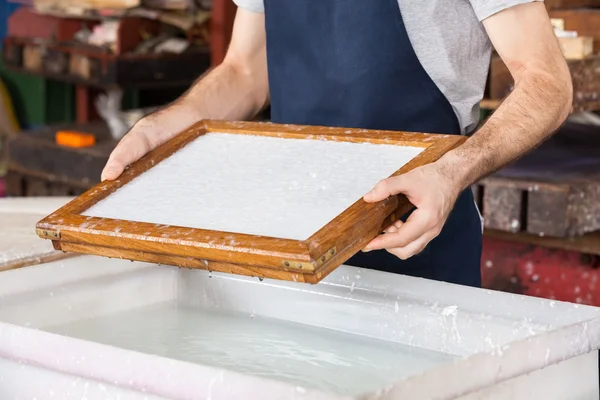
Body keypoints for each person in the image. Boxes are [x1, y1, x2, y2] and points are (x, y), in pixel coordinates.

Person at [101, 1, 572, 288]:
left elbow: (547, 82)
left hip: (414, 244)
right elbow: (245, 71)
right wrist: (166, 125)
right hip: (285, 242)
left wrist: (452, 172)